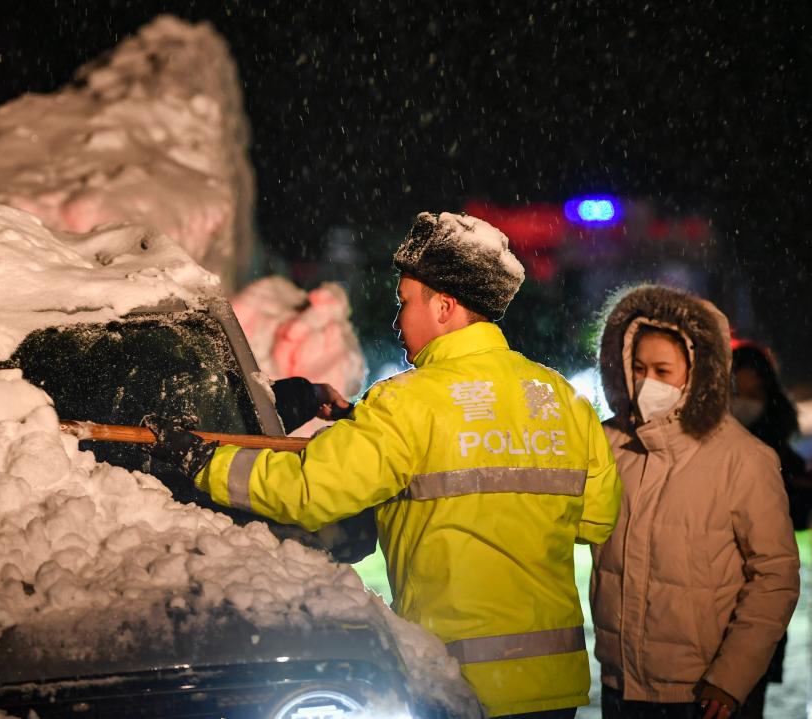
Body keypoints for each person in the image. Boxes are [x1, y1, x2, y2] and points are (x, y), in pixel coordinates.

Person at [144, 211, 622, 718]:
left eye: (404, 304)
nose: (397, 321)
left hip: (459, 682)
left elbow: (308, 492)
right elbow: (597, 518)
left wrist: (203, 463)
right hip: (554, 685)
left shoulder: (407, 402)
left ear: (444, 306)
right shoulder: (560, 398)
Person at [591, 285, 800, 719]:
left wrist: (731, 677)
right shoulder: (607, 445)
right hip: (621, 686)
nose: (647, 382)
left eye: (663, 371)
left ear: (698, 371)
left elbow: (774, 577)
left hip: (702, 696)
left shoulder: (744, 460)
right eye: (638, 367)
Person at [729, 341, 811, 718]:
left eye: (754, 394)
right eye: (734, 392)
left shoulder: (783, 460)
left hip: (755, 619)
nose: (743, 403)